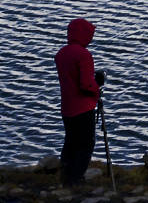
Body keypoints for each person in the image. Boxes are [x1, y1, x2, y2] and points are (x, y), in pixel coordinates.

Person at [54, 17, 104, 185]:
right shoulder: (84, 55)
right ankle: (76, 178)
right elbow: (85, 84)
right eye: (90, 35)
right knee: (86, 143)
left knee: (70, 141)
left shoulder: (61, 53)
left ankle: (65, 174)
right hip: (83, 107)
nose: (91, 38)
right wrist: (96, 87)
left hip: (67, 106)